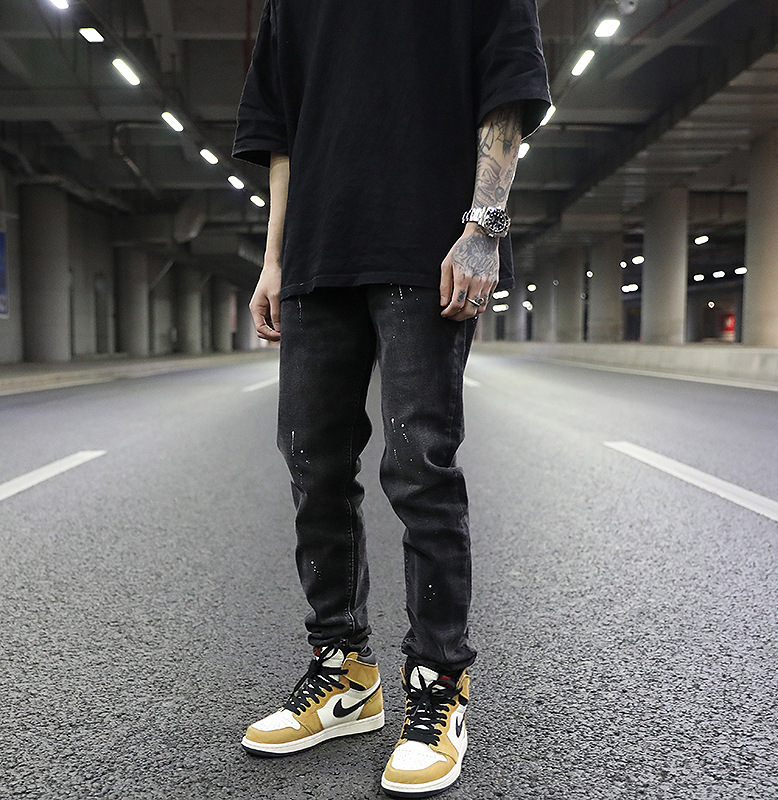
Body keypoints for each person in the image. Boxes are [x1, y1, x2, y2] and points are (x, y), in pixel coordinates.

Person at [232, 1, 550, 796]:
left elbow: (506, 90)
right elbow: (282, 129)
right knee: (313, 464)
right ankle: (344, 673)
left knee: (418, 467)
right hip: (317, 253)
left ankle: (439, 684)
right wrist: (274, 259)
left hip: (427, 246)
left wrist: (485, 226)